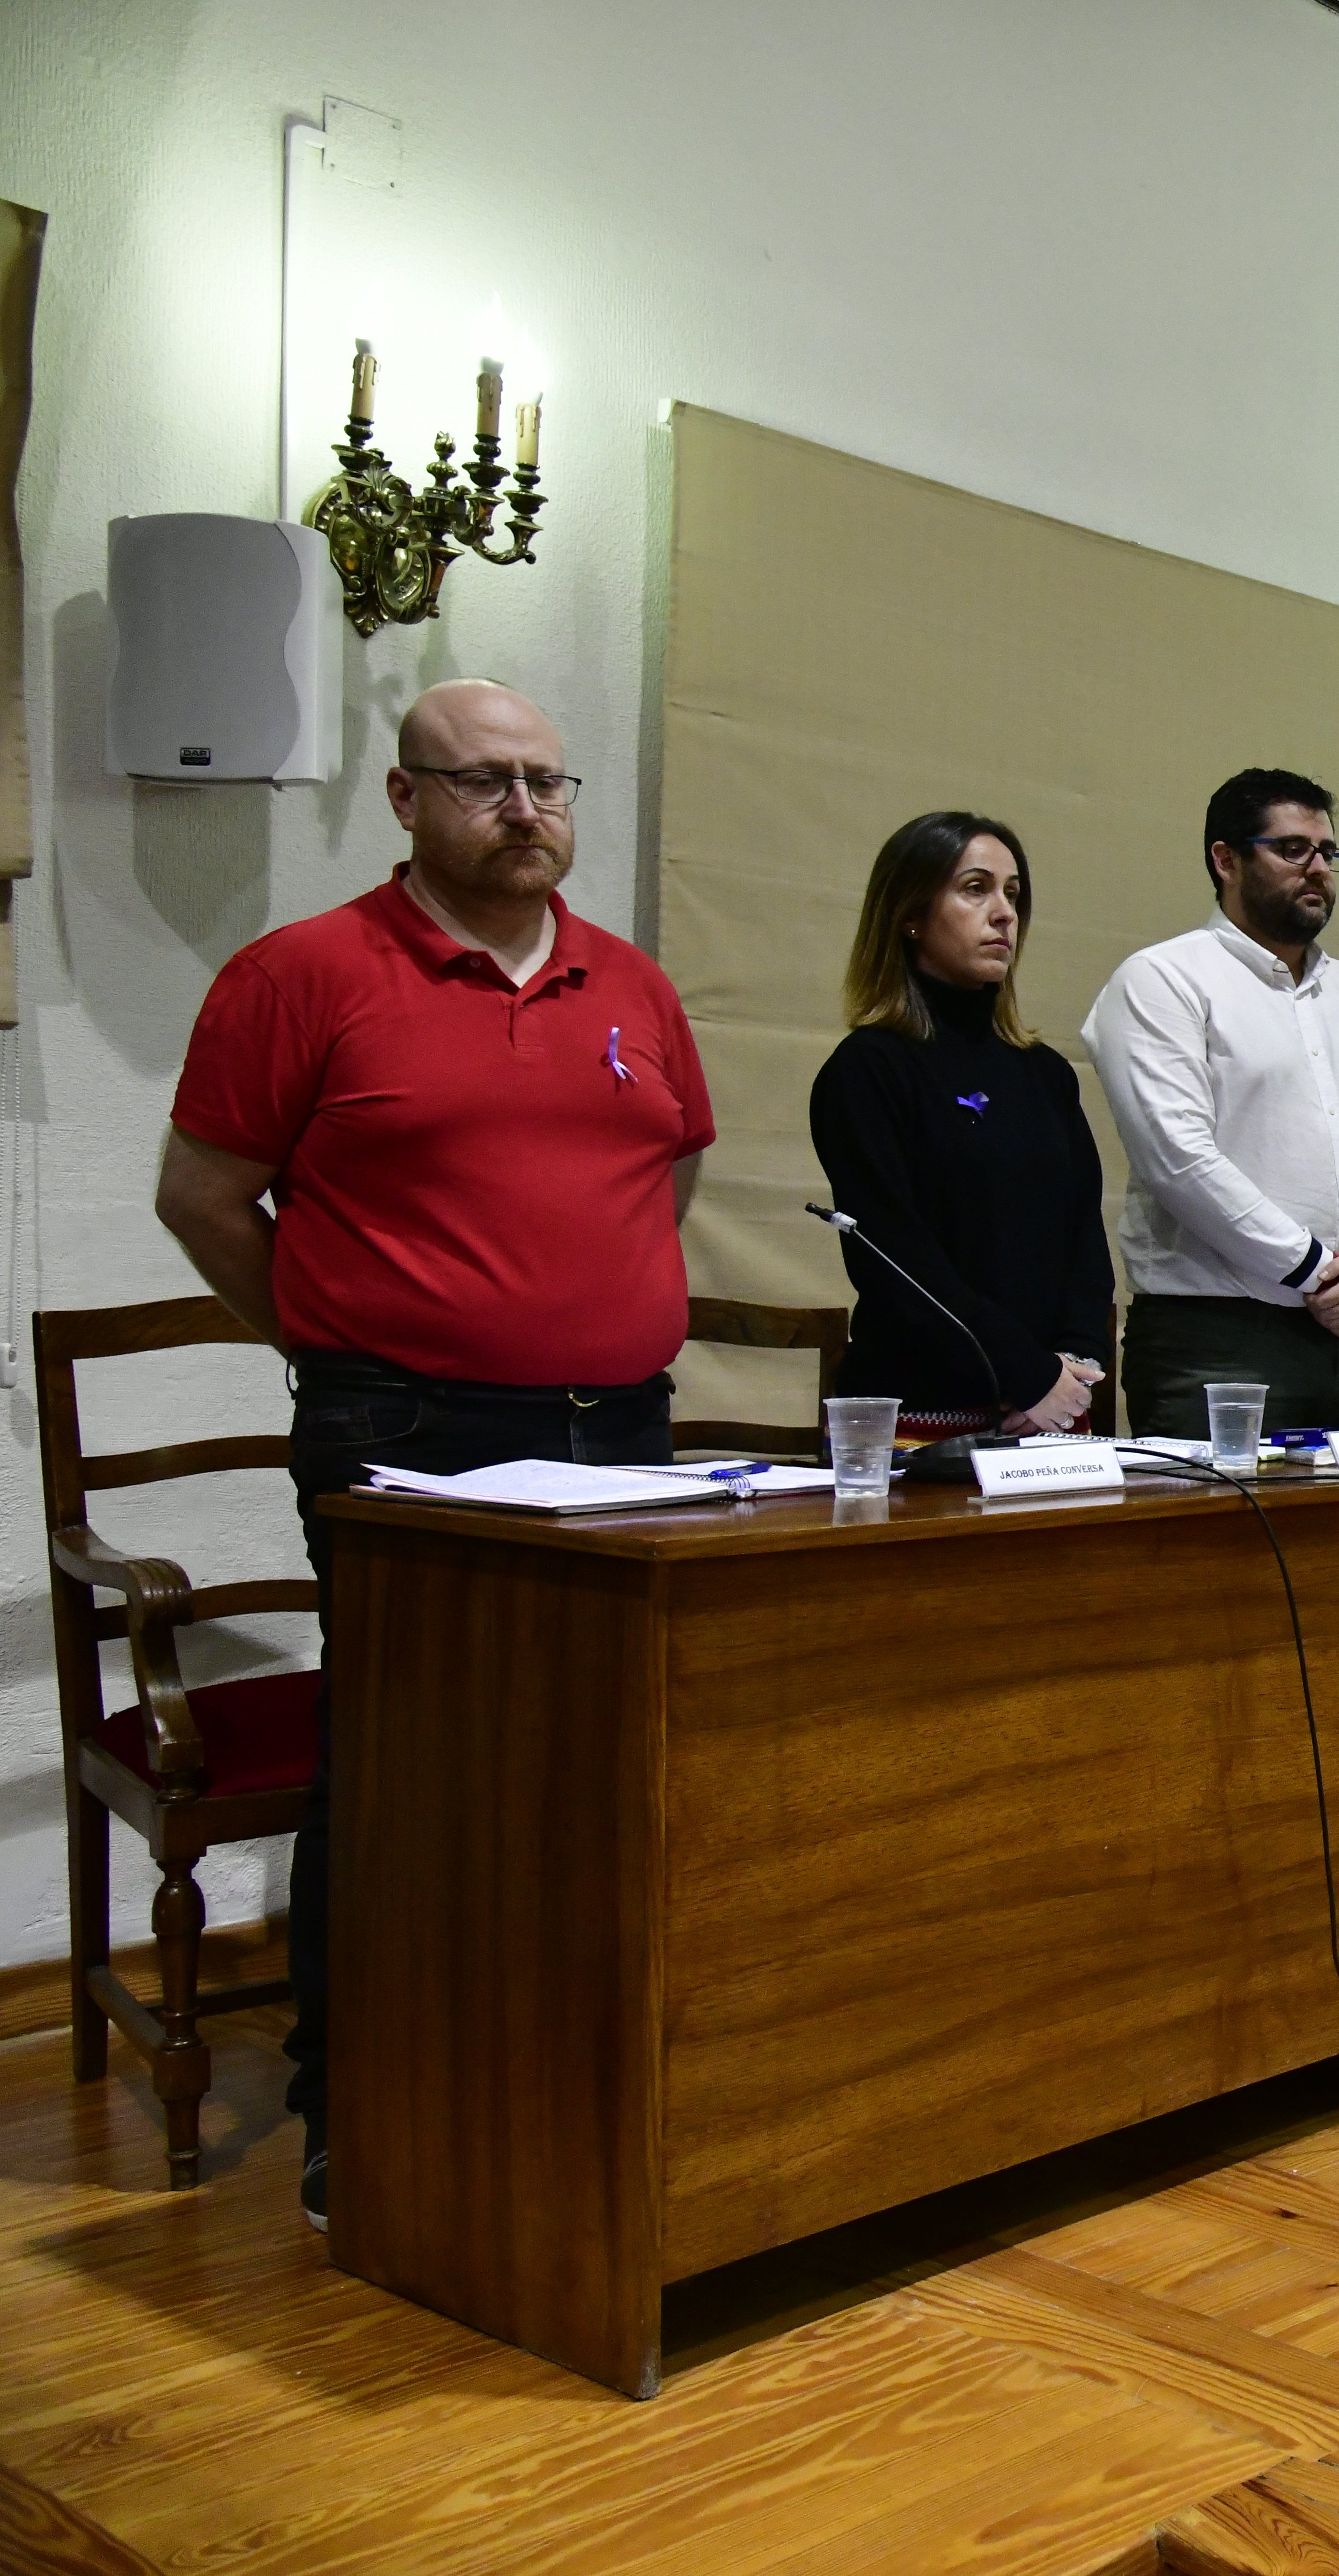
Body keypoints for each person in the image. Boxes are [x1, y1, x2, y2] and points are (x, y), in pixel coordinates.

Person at [154, 678, 711, 2230]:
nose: (526, 810)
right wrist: (342, 1343)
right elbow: (202, 1197)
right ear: (405, 801)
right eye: (484, 784)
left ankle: (567, 2075)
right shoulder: (305, 974)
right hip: (406, 1430)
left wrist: (575, 1310)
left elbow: (651, 1184)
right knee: (407, 1768)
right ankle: (367, 2102)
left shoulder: (632, 985)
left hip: (620, 1431)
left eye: (547, 781)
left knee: (598, 1763)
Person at [1085, 768, 1339, 1439]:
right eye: (1292, 850)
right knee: (1221, 1543)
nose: (1318, 871)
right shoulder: (1164, 979)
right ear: (1226, 859)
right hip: (1219, 1339)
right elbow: (1179, 1160)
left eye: (1328, 854)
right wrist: (1314, 1270)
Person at [809, 812, 1111, 1441]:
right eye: (976, 889)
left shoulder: (1047, 1074)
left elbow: (1083, 1238)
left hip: (1049, 1417)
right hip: (924, 1420)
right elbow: (897, 1260)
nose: (1004, 913)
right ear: (912, 912)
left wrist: (1074, 1368)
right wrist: (1023, 1373)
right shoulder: (869, 1071)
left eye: (1013, 894)